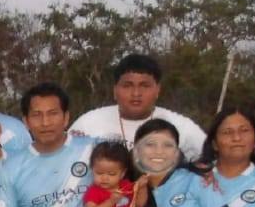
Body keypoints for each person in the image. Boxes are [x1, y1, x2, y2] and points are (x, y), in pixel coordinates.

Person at [71, 54, 206, 162]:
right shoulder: (88, 124)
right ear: (115, 90)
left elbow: (210, 163)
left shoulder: (182, 128)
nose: (136, 93)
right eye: (127, 85)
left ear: (158, 90)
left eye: (145, 86)